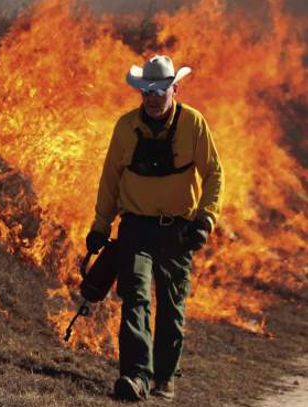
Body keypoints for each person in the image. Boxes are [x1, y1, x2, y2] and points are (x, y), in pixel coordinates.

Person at [86, 55, 224, 401]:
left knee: (172, 305)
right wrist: (101, 226)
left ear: (174, 89)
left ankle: (164, 377)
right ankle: (135, 376)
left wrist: (206, 218)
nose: (153, 97)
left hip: (178, 232)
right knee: (134, 298)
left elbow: (214, 175)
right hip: (135, 228)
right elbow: (109, 180)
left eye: (160, 90)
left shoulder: (194, 124)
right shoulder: (125, 127)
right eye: (147, 91)